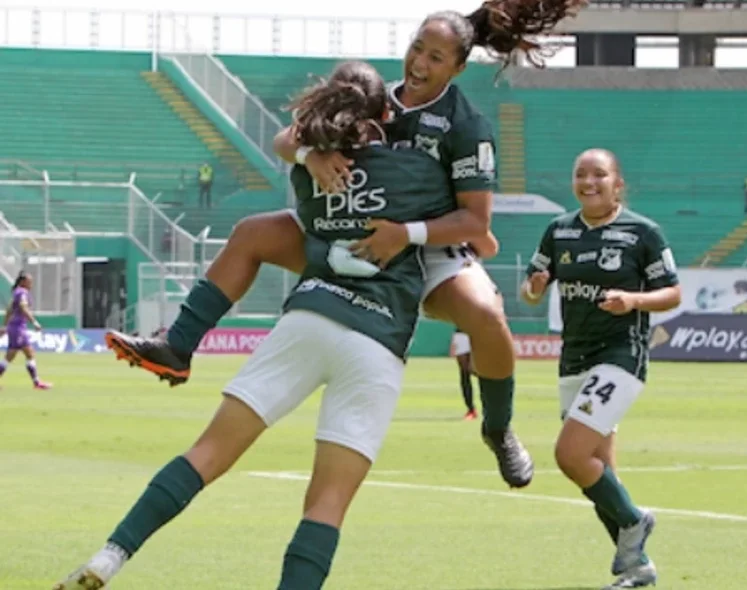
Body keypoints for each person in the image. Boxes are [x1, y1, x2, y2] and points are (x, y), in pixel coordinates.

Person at [101, 0, 589, 488]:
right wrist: (312, 153)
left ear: (458, 68)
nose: (419, 63)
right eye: (417, 48)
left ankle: (499, 429)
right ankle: (178, 347)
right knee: (253, 232)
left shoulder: (467, 125)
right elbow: (284, 140)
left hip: (424, 247)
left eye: (436, 58)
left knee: (487, 314)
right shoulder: (370, 94)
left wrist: (406, 234)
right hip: (348, 231)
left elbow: (475, 221)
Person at [56, 60, 445, 590]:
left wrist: (309, 150)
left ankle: (109, 556)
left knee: (206, 454)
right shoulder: (418, 172)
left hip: (311, 316)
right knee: (326, 504)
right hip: (378, 339)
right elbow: (475, 228)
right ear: (383, 111)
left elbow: (291, 142)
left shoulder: (308, 170)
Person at [520, 148, 680, 589]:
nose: (589, 182)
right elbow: (532, 288)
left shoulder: (642, 232)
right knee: (599, 471)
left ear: (618, 183)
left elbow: (672, 293)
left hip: (620, 355)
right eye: (581, 175)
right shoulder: (559, 231)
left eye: (599, 174)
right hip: (574, 358)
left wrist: (633, 301)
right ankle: (637, 568)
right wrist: (533, 290)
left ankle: (635, 520)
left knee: (570, 455)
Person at [3, 270, 52, 390]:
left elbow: (9, 309)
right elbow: (23, 307)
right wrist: (34, 322)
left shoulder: (16, 292)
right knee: (21, 354)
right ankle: (36, 382)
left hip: (15, 327)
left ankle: (36, 382)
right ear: (23, 282)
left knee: (18, 355)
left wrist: (5, 326)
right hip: (18, 328)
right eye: (30, 282)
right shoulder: (22, 293)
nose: (31, 284)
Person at [453, 327, 478, 419]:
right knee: (464, 371)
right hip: (461, 332)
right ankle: (471, 409)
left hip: (479, 332)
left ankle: (490, 407)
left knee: (479, 370)